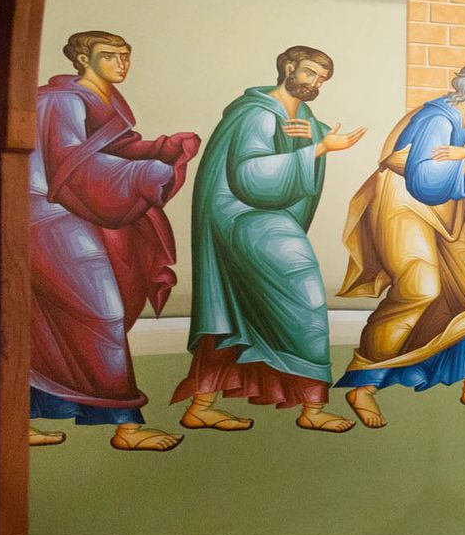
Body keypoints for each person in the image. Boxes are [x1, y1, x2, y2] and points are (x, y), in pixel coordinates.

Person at [173, 45, 365, 433]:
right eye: (310, 73)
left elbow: (307, 139)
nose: (315, 84)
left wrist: (317, 141)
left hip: (266, 214)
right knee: (305, 292)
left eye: (322, 79)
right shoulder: (256, 114)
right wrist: (318, 149)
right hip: (243, 215)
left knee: (235, 309)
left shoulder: (301, 113)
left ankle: (202, 405)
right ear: (288, 67)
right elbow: (252, 177)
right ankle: (312, 408)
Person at [27, 31, 200, 450]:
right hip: (47, 213)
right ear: (82, 59)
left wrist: (161, 148)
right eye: (109, 56)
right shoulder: (61, 100)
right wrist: (146, 174)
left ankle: (23, 417)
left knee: (57, 322)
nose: (121, 63)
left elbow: (111, 149)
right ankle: (127, 427)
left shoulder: (102, 99)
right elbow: (70, 168)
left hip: (71, 211)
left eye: (125, 55)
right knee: (101, 311)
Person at [335, 63, 465, 426]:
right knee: (421, 288)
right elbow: (425, 179)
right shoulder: (438, 119)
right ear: (463, 89)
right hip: (404, 203)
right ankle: (363, 383)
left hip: (445, 208)